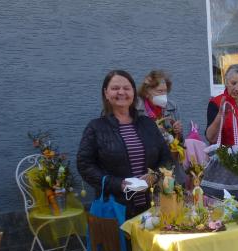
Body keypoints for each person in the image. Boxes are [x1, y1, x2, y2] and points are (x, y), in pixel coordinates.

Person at [77, 69, 179, 218]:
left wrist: (155, 176)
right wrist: (117, 184)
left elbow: (167, 159)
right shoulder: (96, 128)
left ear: (133, 93)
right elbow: (84, 165)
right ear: (106, 93)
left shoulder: (148, 124)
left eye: (126, 88)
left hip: (151, 207)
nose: (121, 92)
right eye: (115, 88)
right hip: (115, 208)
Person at [137, 70, 183, 146]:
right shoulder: (137, 109)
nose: (164, 95)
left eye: (165, 91)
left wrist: (178, 132)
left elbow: (180, 141)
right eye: (160, 91)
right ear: (147, 92)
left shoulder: (172, 106)